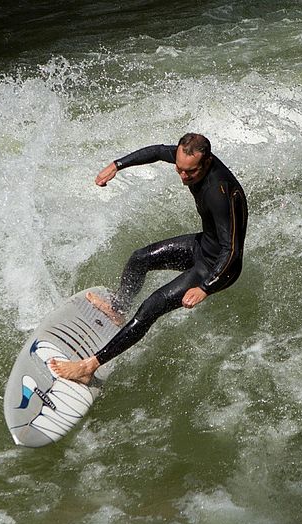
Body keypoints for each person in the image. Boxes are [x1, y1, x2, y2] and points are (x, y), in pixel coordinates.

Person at [49, 133, 248, 384]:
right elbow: (155, 151)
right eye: (180, 170)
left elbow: (232, 251)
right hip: (203, 246)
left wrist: (205, 288)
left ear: (207, 162)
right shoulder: (189, 160)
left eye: (191, 172)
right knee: (140, 258)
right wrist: (116, 165)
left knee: (150, 307)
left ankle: (89, 367)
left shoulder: (220, 193)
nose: (184, 177)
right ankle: (117, 309)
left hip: (218, 267)